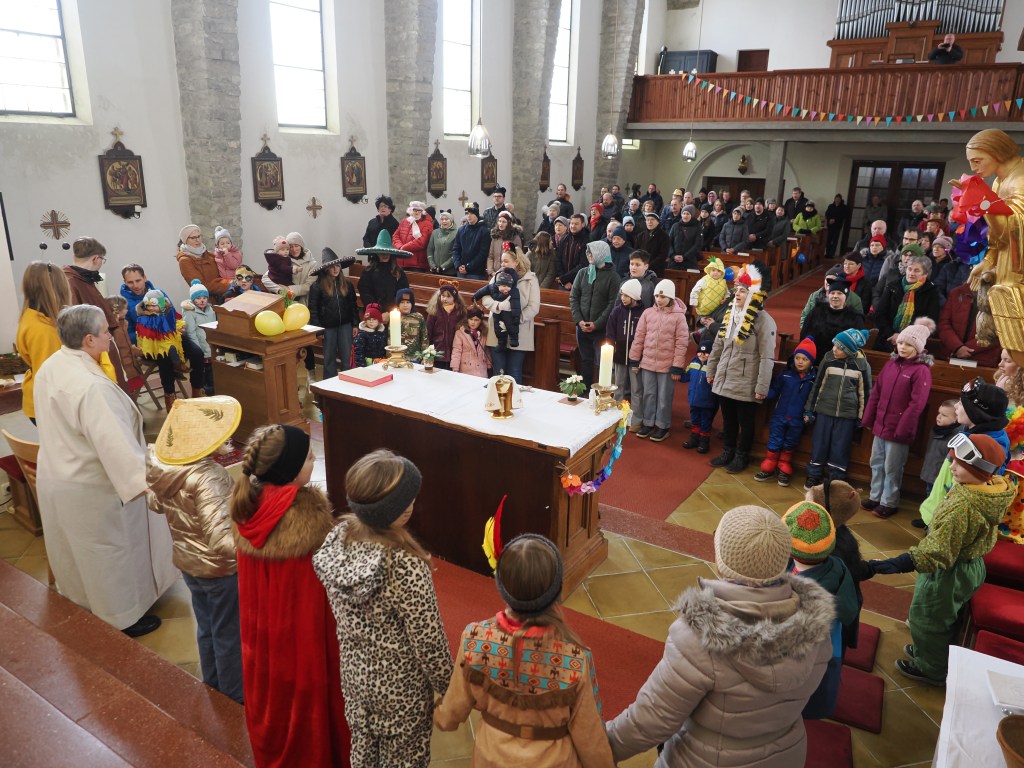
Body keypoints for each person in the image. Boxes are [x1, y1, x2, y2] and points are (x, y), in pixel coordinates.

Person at [606, 504, 834, 767]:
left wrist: (593, 745)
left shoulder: (699, 638)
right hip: (786, 755)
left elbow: (650, 721)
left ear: (722, 563)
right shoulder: (817, 626)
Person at [34, 305, 176, 637]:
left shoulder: (53, 365)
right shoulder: (91, 387)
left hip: (62, 470)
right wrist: (151, 484)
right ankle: (123, 617)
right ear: (89, 340)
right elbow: (116, 448)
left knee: (83, 551)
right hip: (95, 484)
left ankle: (85, 600)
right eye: (105, 332)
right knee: (113, 551)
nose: (110, 336)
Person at [313, 449, 452, 768]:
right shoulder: (404, 566)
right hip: (401, 694)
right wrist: (451, 690)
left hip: (356, 682)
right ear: (400, 511)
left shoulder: (337, 538)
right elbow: (429, 644)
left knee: (362, 755)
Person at [434, 534, 615, 768]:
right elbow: (590, 737)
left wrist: (438, 715)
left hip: (492, 758)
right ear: (556, 590)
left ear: (502, 587)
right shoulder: (575, 658)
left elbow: (451, 712)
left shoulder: (475, 638)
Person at [231, 424, 350, 766]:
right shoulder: (306, 521)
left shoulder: (248, 507)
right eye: (310, 456)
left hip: (263, 638)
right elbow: (320, 594)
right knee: (307, 704)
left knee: (274, 700)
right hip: (302, 642)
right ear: (291, 469)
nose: (315, 460)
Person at [870, 433, 1014, 686]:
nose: (953, 467)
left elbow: (940, 550)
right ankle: (932, 652)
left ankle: (932, 669)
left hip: (949, 570)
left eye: (960, 464)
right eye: (953, 461)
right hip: (971, 565)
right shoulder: (988, 489)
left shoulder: (964, 506)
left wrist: (905, 561)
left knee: (928, 618)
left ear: (979, 470)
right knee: (947, 616)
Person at [147, 396, 243, 703]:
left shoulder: (168, 468)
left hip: (188, 563)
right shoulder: (209, 476)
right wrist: (256, 547)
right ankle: (233, 696)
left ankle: (212, 684)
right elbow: (221, 539)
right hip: (218, 569)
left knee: (207, 627)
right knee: (229, 633)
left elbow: (155, 503)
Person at [783, 501, 859, 719]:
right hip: (832, 648)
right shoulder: (838, 565)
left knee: (808, 694)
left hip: (808, 654)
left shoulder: (796, 590)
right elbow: (849, 609)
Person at [861, 318, 935, 518]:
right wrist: (868, 417)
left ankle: (889, 501)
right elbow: (877, 392)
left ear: (918, 348)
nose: (903, 347)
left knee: (892, 468)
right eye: (901, 343)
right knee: (876, 462)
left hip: (899, 429)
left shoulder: (921, 371)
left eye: (909, 344)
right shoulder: (891, 364)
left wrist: (902, 429)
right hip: (881, 425)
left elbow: (916, 404)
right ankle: (875, 496)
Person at [706, 265, 777, 473]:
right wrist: (711, 371)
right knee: (728, 419)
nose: (736, 293)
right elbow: (718, 346)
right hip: (726, 376)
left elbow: (767, 357)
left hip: (747, 380)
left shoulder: (764, 321)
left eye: (742, 290)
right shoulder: (730, 314)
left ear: (753, 294)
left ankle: (741, 455)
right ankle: (727, 450)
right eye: (737, 289)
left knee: (745, 422)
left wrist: (761, 386)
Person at [915, 379, 1010, 529]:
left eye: (961, 403)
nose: (957, 407)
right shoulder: (969, 429)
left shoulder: (988, 443)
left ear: (975, 412)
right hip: (941, 508)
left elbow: (976, 486)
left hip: (952, 517)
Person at [964, 129, 1024, 365]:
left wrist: (984, 204)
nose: (974, 168)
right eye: (971, 162)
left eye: (977, 161)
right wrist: (988, 260)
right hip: (1007, 259)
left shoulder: (1020, 177)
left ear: (996, 152)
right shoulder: (999, 181)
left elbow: (1018, 223)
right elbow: (999, 233)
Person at [120, 264, 197, 408]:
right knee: (165, 357)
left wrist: (178, 327)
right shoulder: (123, 302)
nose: (135, 285)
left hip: (170, 336)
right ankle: (171, 399)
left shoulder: (158, 293)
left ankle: (197, 393)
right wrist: (140, 342)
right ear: (125, 282)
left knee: (196, 352)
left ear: (145, 278)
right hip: (147, 344)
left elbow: (172, 314)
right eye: (130, 282)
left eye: (138, 280)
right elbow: (127, 330)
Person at [804, 328, 873, 488]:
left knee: (840, 448)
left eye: (840, 347)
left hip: (847, 415)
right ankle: (814, 474)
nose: (834, 349)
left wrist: (863, 417)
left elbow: (866, 393)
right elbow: (817, 386)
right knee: (819, 444)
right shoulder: (828, 360)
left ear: (849, 350)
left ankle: (836, 479)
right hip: (824, 411)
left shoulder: (862, 365)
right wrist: (810, 409)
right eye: (835, 345)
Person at [629, 279, 688, 443]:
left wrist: (677, 366)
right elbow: (639, 337)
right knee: (648, 394)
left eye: (662, 296)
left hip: (667, 365)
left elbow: (682, 343)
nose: (659, 299)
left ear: (670, 297)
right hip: (647, 362)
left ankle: (662, 425)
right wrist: (635, 358)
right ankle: (648, 423)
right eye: (656, 296)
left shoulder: (679, 317)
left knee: (664, 396)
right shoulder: (648, 313)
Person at [63, 236, 126, 388]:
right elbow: (78, 324)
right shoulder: (73, 281)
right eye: (102, 260)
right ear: (96, 259)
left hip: (99, 341)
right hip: (94, 347)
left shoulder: (80, 279)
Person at [756, 338, 818, 486]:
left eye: (804, 359)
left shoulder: (813, 380)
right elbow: (775, 389)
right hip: (780, 415)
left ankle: (784, 466)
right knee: (775, 439)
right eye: (797, 358)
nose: (800, 362)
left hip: (797, 419)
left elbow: (814, 399)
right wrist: (764, 394)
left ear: (811, 361)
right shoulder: (785, 375)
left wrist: (810, 414)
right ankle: (769, 464)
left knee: (791, 442)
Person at [16, 261, 71, 424]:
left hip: (44, 398)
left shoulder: (34, 316)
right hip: (49, 404)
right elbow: (51, 376)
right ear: (59, 289)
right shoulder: (42, 330)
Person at [479, 246, 539, 384]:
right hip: (497, 328)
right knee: (498, 370)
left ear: (516, 261)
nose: (502, 264)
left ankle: (514, 402)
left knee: (514, 371)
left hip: (519, 329)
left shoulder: (530, 279)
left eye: (506, 261)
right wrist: (498, 306)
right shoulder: (497, 276)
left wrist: (515, 320)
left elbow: (534, 306)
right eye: (501, 261)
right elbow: (486, 298)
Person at [570, 241, 621, 389]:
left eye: (592, 252)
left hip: (601, 329)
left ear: (602, 254)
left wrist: (597, 323)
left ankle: (602, 392)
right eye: (588, 253)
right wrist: (579, 320)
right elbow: (574, 297)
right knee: (585, 360)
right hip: (582, 327)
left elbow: (612, 304)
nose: (589, 255)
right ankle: (586, 391)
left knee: (602, 362)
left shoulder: (613, 277)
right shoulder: (583, 273)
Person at [873, 252, 941, 352]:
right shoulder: (893, 286)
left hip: (913, 344)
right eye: (909, 269)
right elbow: (879, 314)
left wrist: (905, 338)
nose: (911, 273)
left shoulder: (931, 292)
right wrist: (892, 334)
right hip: (887, 339)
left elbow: (930, 321)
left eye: (916, 271)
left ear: (925, 274)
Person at [308, 252, 359, 379]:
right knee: (329, 358)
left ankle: (348, 381)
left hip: (345, 325)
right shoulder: (317, 286)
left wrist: (355, 323)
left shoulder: (347, 284)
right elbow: (313, 310)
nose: (335, 269)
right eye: (332, 266)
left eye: (337, 266)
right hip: (328, 327)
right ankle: (330, 385)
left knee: (346, 356)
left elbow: (353, 305)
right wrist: (318, 329)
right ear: (326, 269)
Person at [800, 280, 865, 361]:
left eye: (839, 293)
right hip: (814, 359)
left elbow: (857, 345)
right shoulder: (817, 311)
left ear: (846, 296)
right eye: (832, 293)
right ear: (828, 294)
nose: (835, 296)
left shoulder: (855, 317)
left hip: (842, 363)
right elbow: (804, 335)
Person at [606, 279, 645, 407]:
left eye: (627, 295)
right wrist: (611, 349)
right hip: (619, 354)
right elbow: (610, 332)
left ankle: (635, 417)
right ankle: (616, 415)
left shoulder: (643, 312)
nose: (623, 298)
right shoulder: (617, 311)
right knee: (618, 386)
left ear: (634, 297)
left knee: (636, 389)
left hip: (636, 357)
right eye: (622, 294)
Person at [356, 230, 412, 312]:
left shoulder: (398, 272)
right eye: (381, 252)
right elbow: (365, 293)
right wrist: (376, 311)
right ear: (376, 253)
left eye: (386, 252)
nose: (384, 255)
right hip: (373, 315)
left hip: (393, 313)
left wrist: (389, 312)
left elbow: (401, 294)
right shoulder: (368, 271)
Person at [680, 339, 717, 454]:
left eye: (706, 353)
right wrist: (678, 372)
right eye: (700, 352)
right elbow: (685, 376)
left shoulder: (714, 366)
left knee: (705, 422)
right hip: (694, 400)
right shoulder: (693, 363)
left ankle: (704, 441)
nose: (702, 355)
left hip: (707, 401)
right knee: (695, 420)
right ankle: (694, 438)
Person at [920, 400, 963, 497]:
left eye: (944, 415)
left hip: (943, 477)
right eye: (939, 413)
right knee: (929, 496)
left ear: (956, 418)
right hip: (931, 472)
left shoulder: (957, 434)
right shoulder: (936, 429)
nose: (939, 416)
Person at [176, 225, 230, 300]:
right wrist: (230, 284)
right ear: (185, 240)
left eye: (199, 236)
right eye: (193, 238)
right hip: (207, 303)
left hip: (224, 296)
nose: (197, 240)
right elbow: (202, 286)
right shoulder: (185, 261)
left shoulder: (208, 254)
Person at [181, 280, 215, 396]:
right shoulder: (190, 313)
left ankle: (212, 389)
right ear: (193, 300)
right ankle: (205, 389)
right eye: (198, 298)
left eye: (204, 298)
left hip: (210, 345)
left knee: (212, 369)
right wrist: (198, 349)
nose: (202, 300)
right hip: (200, 345)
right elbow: (191, 333)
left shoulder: (211, 310)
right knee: (203, 370)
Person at [425, 282, 466, 370]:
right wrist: (427, 351)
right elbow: (428, 331)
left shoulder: (459, 312)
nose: (445, 299)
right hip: (437, 351)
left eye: (448, 296)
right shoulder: (434, 311)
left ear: (454, 298)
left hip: (454, 352)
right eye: (443, 296)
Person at [391, 200, 434, 272]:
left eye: (419, 210)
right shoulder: (404, 221)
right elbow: (395, 236)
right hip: (401, 261)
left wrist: (404, 248)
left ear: (422, 212)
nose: (416, 212)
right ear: (411, 210)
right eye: (414, 210)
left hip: (417, 264)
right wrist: (399, 246)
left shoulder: (427, 224)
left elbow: (422, 242)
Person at [451, 202, 491, 280]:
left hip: (476, 272)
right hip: (460, 271)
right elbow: (456, 249)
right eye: (467, 213)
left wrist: (468, 266)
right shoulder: (461, 230)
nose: (469, 216)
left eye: (471, 213)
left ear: (476, 215)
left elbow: (483, 253)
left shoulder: (484, 231)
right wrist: (458, 265)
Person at [450, 307, 490, 377]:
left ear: (480, 321)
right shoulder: (460, 333)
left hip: (481, 369)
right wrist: (455, 367)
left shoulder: (484, 333)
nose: (473, 322)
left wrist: (489, 364)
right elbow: (456, 351)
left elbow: (486, 350)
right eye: (471, 319)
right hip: (466, 368)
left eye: (476, 320)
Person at [394, 287, 427, 360]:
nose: (405, 305)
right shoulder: (394, 317)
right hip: (398, 357)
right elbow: (390, 337)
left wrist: (425, 357)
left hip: (415, 357)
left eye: (408, 302)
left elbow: (424, 338)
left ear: (412, 304)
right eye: (402, 302)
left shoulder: (418, 317)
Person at [669, 205, 701, 269]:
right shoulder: (675, 226)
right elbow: (668, 242)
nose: (685, 216)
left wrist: (684, 257)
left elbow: (698, 244)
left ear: (691, 215)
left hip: (690, 262)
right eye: (684, 213)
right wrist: (673, 255)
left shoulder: (697, 227)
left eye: (688, 214)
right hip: (674, 262)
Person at [427, 208, 457, 275]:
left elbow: (456, 253)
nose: (444, 221)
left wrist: (443, 267)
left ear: (451, 220)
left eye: (446, 219)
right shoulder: (435, 232)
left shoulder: (456, 233)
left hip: (450, 271)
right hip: (435, 270)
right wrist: (432, 266)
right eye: (442, 219)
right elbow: (430, 250)